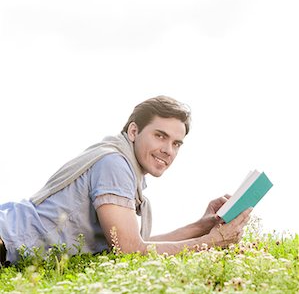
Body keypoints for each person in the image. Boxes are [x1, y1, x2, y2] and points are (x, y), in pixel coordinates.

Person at [0, 95, 251, 265]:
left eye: (176, 143)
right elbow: (129, 250)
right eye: (160, 136)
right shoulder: (115, 165)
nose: (168, 150)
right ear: (133, 131)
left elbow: (135, 243)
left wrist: (201, 226)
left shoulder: (123, 165)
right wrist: (212, 242)